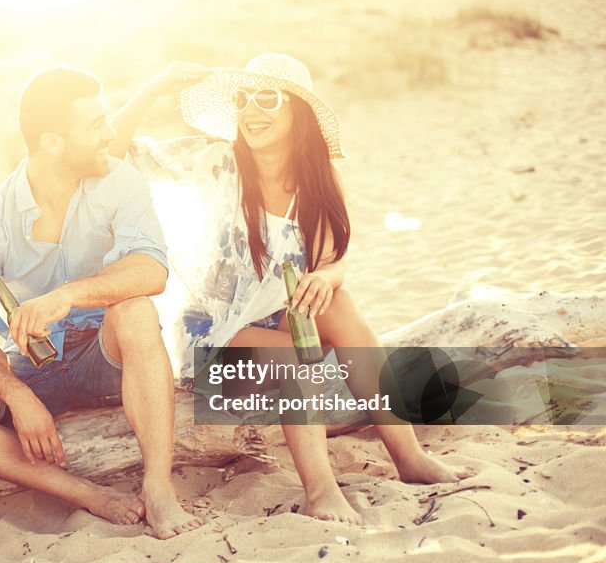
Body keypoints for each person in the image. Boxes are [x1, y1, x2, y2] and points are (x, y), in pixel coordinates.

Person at [110, 54, 474, 525]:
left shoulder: (319, 181)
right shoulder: (216, 163)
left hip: (277, 320)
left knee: (338, 303)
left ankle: (408, 457)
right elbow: (112, 155)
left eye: (267, 98)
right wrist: (154, 86)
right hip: (212, 338)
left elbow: (333, 263)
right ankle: (321, 491)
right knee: (286, 352)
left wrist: (326, 278)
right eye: (243, 99)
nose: (250, 111)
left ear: (298, 112)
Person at [0, 65, 205, 540]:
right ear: (52, 142)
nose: (110, 135)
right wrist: (16, 394)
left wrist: (66, 296)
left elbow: (151, 271)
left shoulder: (120, 182)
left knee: (135, 308)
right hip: (34, 369)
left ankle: (158, 489)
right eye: (95, 126)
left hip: (105, 357)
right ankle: (88, 495)